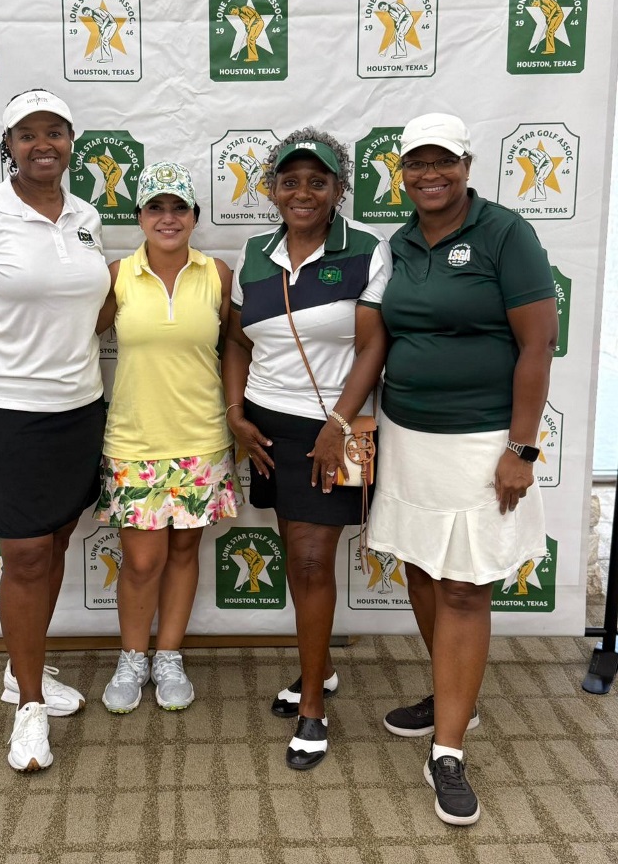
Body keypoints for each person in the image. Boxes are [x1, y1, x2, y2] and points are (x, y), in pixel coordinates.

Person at [367, 113, 557, 825]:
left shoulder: (506, 233)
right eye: (415, 163)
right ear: (403, 172)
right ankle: (455, 696)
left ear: (467, 164)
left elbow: (538, 346)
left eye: (442, 160)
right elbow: (383, 336)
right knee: (421, 567)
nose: (429, 174)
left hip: (483, 443)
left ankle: (448, 750)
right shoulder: (401, 242)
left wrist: (522, 447)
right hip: (408, 437)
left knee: (467, 589)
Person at [0, 88, 111, 773]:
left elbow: (88, 310)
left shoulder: (86, 217)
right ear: (7, 144)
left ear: (71, 143)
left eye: (56, 132)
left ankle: (20, 669)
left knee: (60, 537)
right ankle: (29, 707)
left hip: (81, 408)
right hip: (9, 416)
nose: (44, 144)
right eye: (28, 133)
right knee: (28, 556)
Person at [223, 130, 391, 770]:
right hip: (267, 428)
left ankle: (314, 706)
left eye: (317, 181)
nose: (302, 192)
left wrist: (340, 423)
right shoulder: (254, 254)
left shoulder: (366, 252)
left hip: (333, 430)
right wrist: (236, 413)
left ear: (338, 190)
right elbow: (237, 342)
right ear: (271, 190)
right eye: (289, 181)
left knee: (315, 559)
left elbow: (373, 345)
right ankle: (314, 667)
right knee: (296, 552)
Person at [96, 161, 241, 714]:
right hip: (134, 441)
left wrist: (234, 413)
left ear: (196, 216)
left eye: (179, 207)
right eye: (156, 207)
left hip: (202, 439)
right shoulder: (116, 275)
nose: (168, 217)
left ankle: (169, 656)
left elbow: (233, 346)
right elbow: (81, 336)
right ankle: (133, 656)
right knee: (140, 562)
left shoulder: (217, 274)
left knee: (184, 551)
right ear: (139, 217)